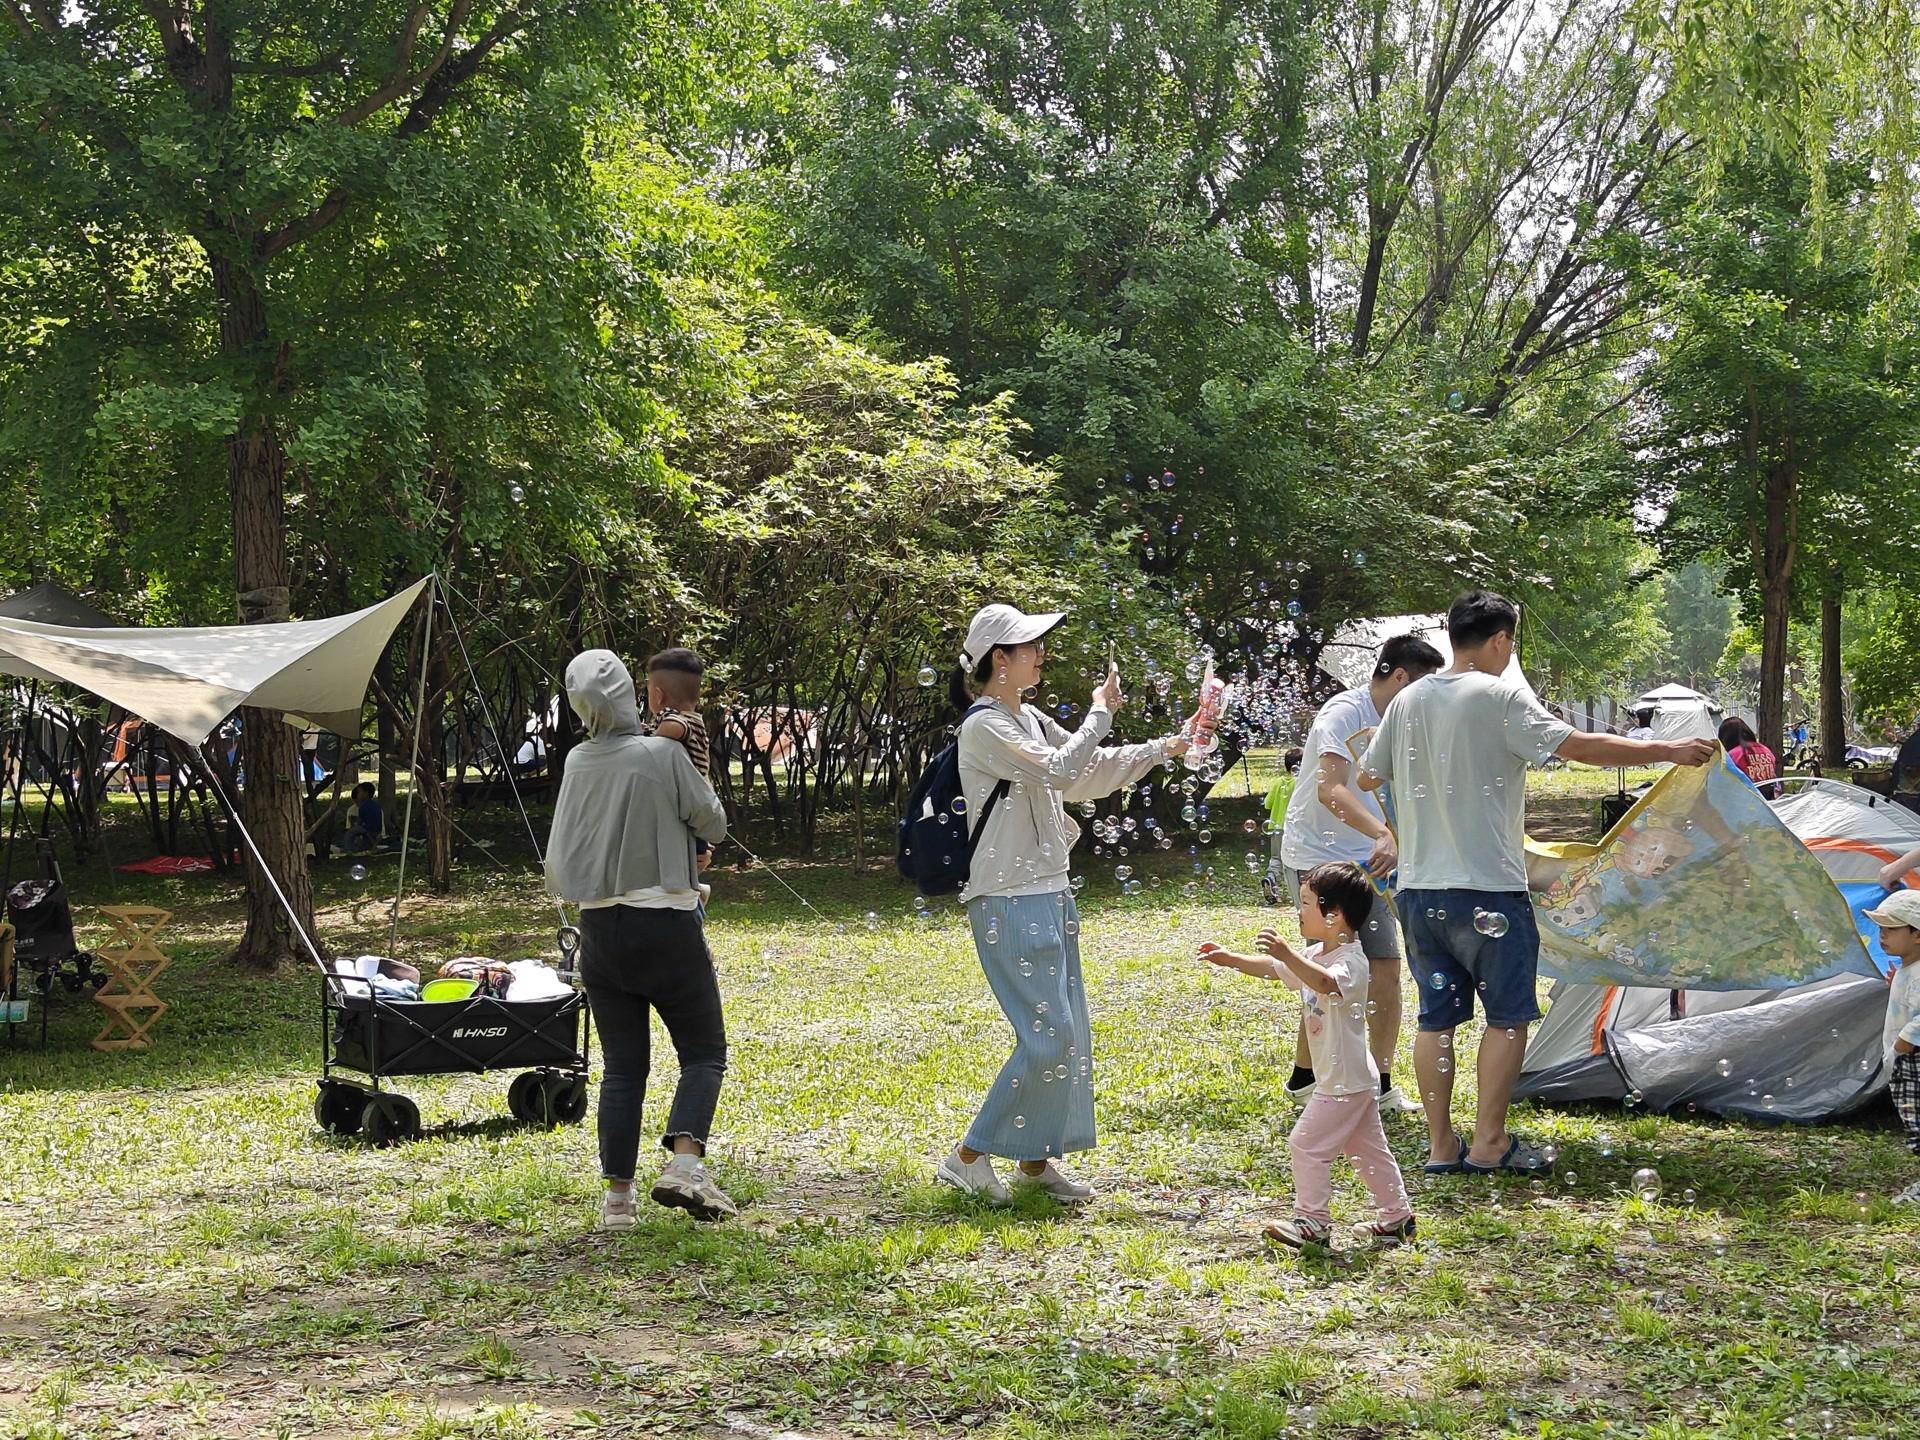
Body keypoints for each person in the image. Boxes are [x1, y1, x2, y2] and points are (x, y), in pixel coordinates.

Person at [1357, 590, 1717, 1174]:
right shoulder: (1502, 696)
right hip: (1490, 889)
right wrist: (1668, 749)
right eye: (1510, 643)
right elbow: (1581, 748)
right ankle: (1490, 1143)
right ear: (1500, 639)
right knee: (1506, 1016)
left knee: (1436, 1019)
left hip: (1419, 890)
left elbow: (1371, 773)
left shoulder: (1409, 700)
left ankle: (1440, 1146)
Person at [936, 603, 1190, 1205]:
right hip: (1007, 899)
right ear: (1001, 659)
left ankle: (1035, 1159)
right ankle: (967, 1156)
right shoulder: (985, 726)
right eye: (1032, 646)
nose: (1042, 654)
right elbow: (1060, 768)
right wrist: (1100, 712)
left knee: (1068, 1034)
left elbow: (1086, 774)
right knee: (1048, 1036)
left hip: (1049, 891)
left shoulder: (1025, 717)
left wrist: (1163, 747)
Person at [545, 650, 734, 1229]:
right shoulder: (663, 752)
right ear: (633, 693)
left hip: (600, 932)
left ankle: (617, 1202)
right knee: (703, 1052)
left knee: (624, 1069)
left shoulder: (577, 759)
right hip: (668, 926)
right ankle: (685, 1165)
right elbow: (714, 824)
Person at [1197, 861, 1415, 1250]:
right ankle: (1396, 1216)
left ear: (1334, 916)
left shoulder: (1351, 962)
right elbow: (1275, 968)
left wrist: (1287, 951)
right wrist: (1231, 959)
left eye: (1306, 903)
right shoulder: (1317, 952)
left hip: (1343, 1079)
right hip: (1350, 1077)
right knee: (1367, 1151)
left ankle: (1313, 1223)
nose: (1299, 911)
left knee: (1305, 1144)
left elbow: (1325, 983)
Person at [1276, 634, 1444, 1113]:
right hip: (1322, 857)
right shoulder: (1343, 713)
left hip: (1375, 860)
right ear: (1399, 677)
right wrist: (1381, 833)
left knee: (1386, 969)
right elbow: (1330, 789)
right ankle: (1306, 1078)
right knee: (1330, 973)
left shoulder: (1405, 718)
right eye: (1424, 686)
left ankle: (1380, 1082)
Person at [643, 647, 715, 881]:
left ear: (658, 695)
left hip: (690, 805)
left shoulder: (677, 719)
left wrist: (651, 741)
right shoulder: (692, 717)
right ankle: (697, 893)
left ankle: (697, 895)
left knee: (689, 864)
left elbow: (675, 728)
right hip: (694, 802)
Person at [1867, 890, 1920, 1205]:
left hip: (1913, 1061)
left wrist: (1904, 1041)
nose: (1882, 935)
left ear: (1917, 935)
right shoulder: (1908, 969)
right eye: (1881, 928)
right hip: (1905, 1062)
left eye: (1891, 928)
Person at [1259, 748, 1303, 906]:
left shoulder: (1278, 783)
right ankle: (1299, 892)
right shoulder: (1300, 783)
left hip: (1275, 827)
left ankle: (1270, 878)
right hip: (1293, 829)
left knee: (1276, 858)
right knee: (1296, 861)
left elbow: (1267, 804)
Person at [1720, 717, 1782, 800]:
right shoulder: (1766, 749)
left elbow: (1724, 783)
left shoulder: (1731, 756)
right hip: (1771, 798)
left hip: (1745, 801)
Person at [342, 782, 382, 853]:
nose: (358, 794)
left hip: (368, 829)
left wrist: (354, 823)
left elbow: (360, 822)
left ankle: (349, 849)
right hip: (377, 830)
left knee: (350, 833)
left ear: (365, 793)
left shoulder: (363, 806)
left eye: (359, 792)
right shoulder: (376, 805)